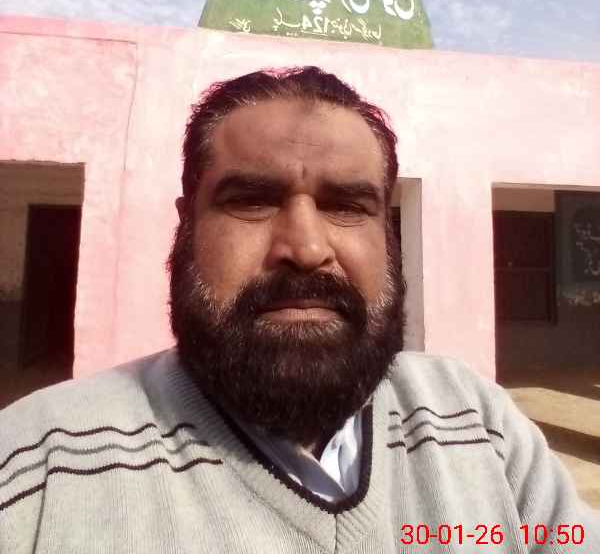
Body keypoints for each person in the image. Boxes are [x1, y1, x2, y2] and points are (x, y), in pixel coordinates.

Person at [1, 65, 598, 553]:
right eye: (252, 200)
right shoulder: (38, 466)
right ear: (186, 228)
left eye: (347, 206)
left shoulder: (478, 424)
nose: (307, 249)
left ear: (386, 233)